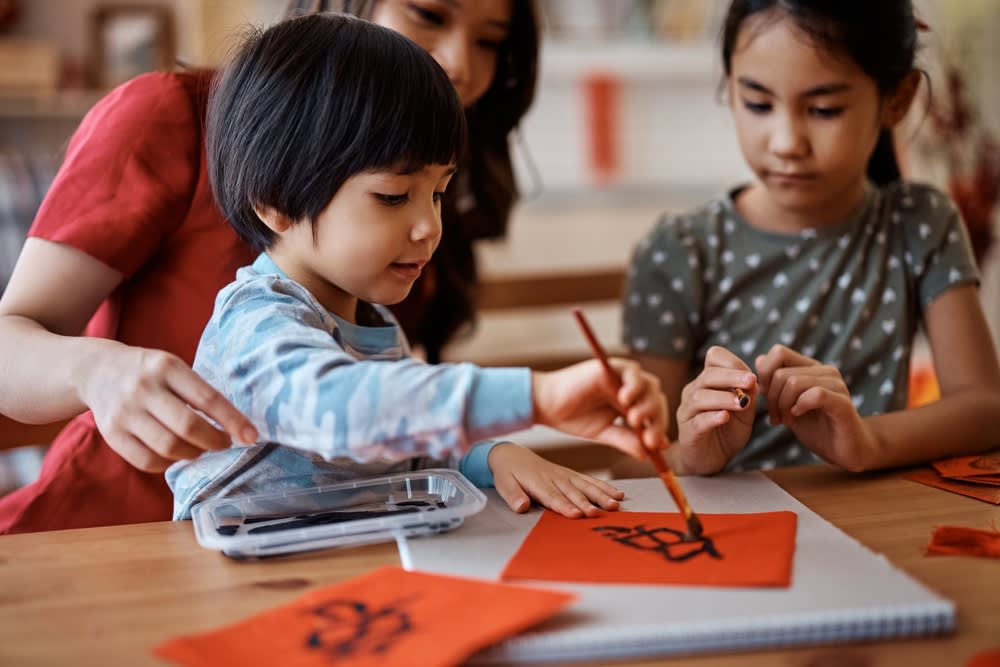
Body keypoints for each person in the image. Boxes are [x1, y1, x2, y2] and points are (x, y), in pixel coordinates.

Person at [0, 0, 539, 533]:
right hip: (102, 540)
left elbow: (382, 434)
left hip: (297, 551)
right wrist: (94, 370)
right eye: (429, 14)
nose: (460, 63)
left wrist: (481, 455)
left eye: (489, 40)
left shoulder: (387, 256)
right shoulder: (170, 119)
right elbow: (332, 405)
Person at [168, 13, 667, 520]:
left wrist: (488, 454)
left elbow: (400, 439)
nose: (429, 226)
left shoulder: (373, 325)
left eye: (438, 194)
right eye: (393, 196)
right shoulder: (254, 323)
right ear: (274, 200)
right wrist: (535, 395)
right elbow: (343, 411)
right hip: (231, 583)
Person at [620, 0, 1000, 477]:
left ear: (897, 100)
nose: (785, 142)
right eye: (758, 103)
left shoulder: (918, 223)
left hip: (878, 525)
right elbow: (630, 467)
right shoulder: (681, 251)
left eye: (823, 109)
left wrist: (868, 442)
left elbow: (986, 407)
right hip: (733, 538)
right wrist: (689, 458)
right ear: (729, 87)